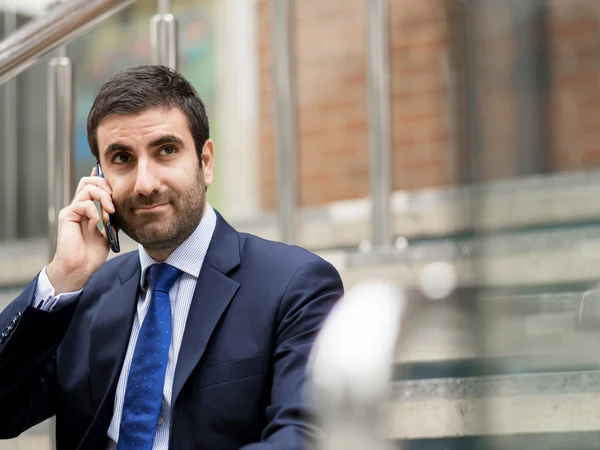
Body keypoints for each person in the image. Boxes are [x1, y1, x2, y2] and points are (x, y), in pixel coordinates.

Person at [0, 65, 344, 450]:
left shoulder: (296, 285)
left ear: (205, 161)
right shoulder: (88, 295)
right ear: (99, 179)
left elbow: (303, 438)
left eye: (166, 150)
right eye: (122, 158)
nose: (146, 183)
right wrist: (62, 276)